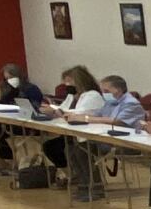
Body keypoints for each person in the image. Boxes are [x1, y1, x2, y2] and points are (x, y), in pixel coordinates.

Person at [37, 66, 106, 197]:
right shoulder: (72, 96)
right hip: (74, 134)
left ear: (80, 81)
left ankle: (95, 187)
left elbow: (81, 113)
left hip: (92, 135)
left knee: (81, 152)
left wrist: (58, 111)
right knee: (68, 150)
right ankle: (81, 182)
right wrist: (52, 110)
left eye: (69, 81)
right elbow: (63, 109)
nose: (67, 85)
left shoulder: (92, 95)